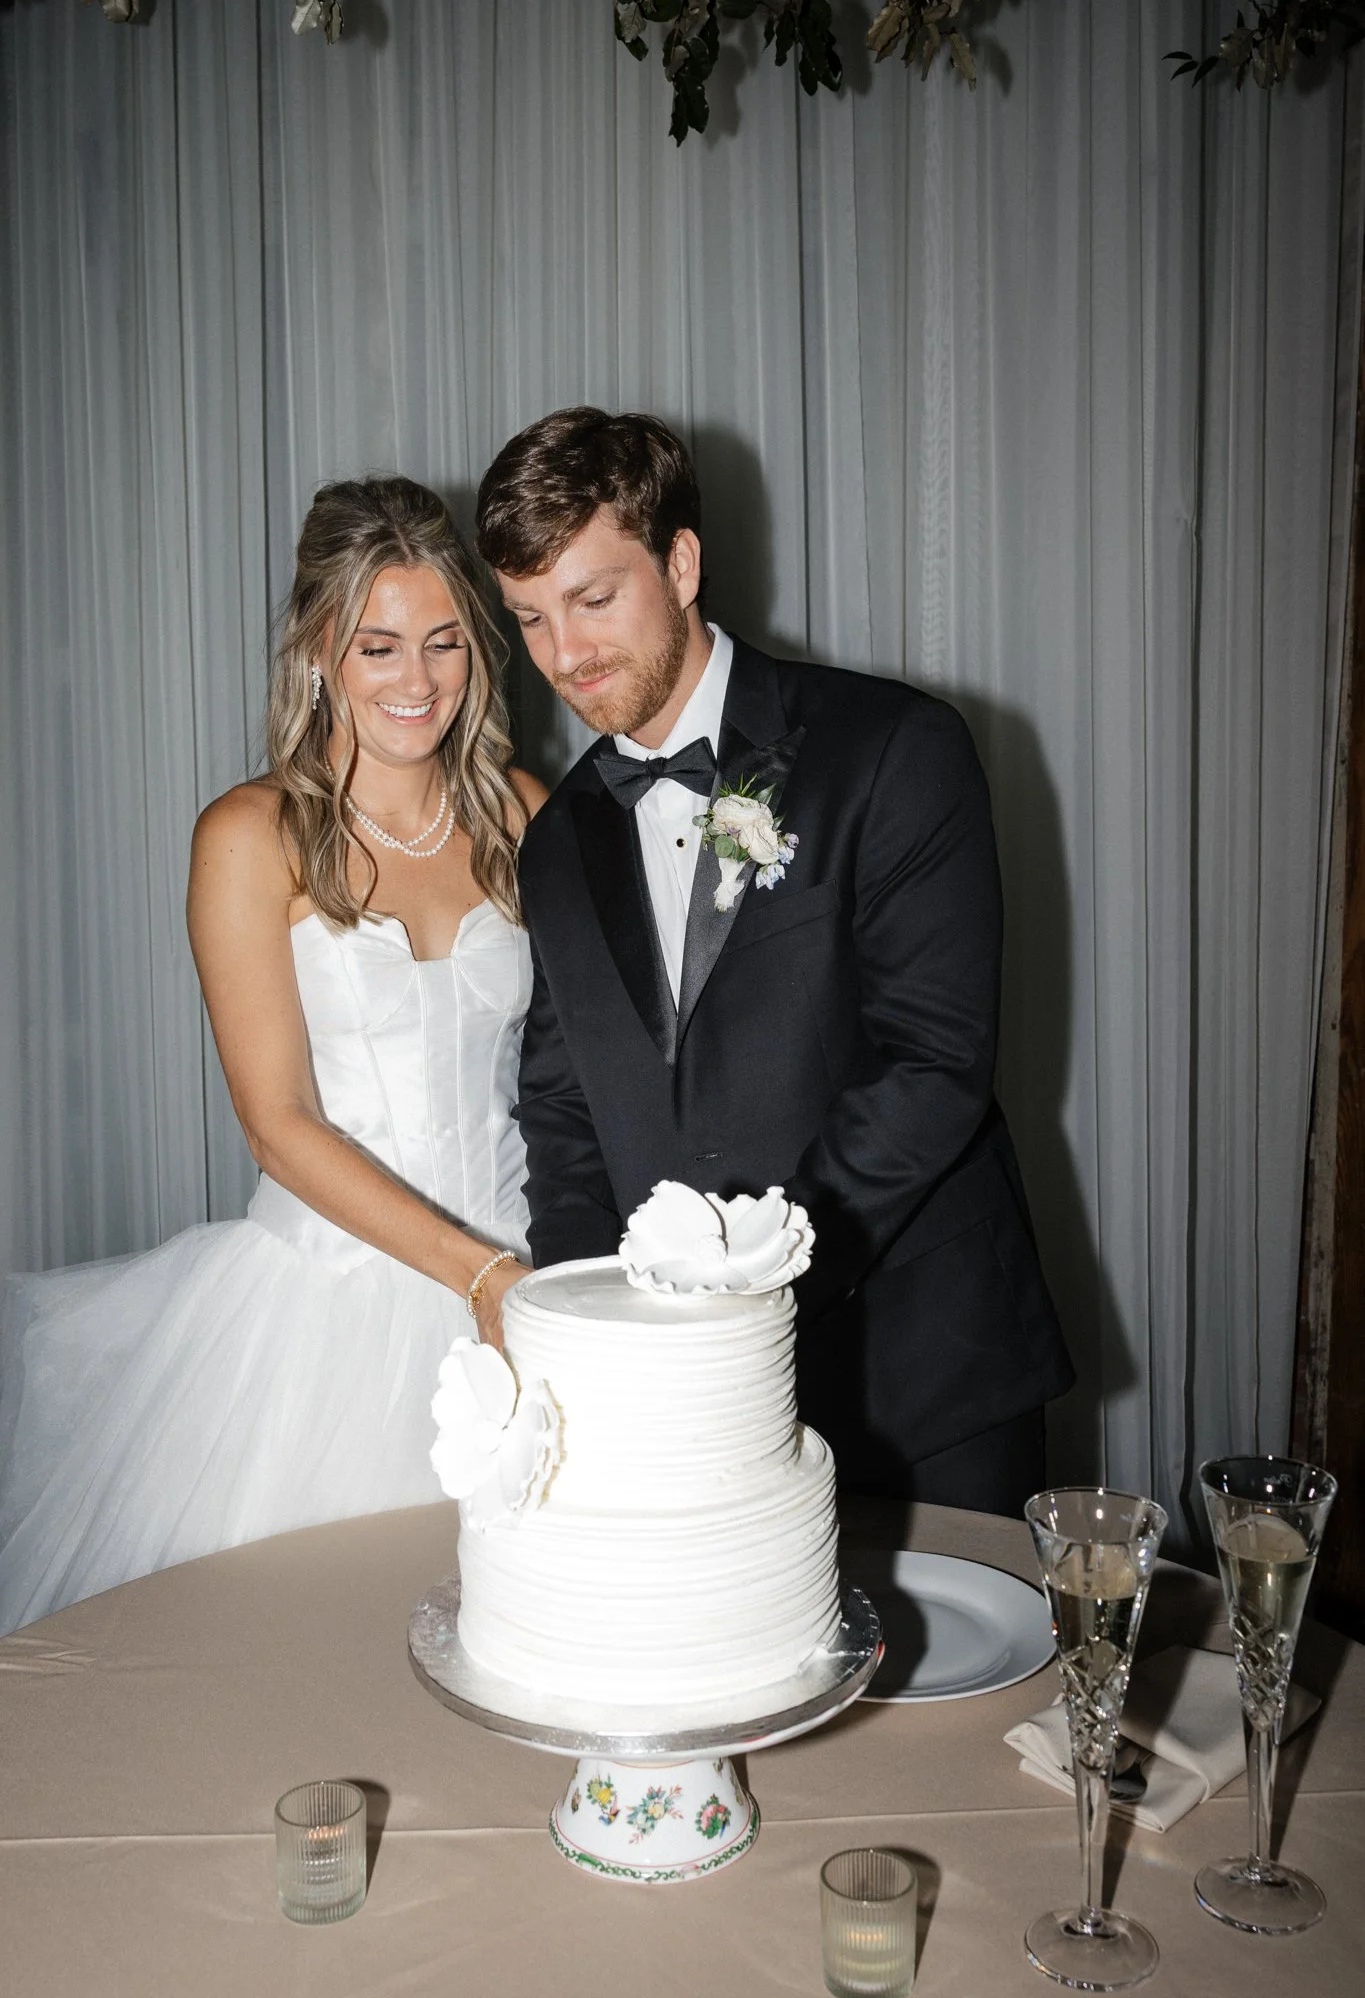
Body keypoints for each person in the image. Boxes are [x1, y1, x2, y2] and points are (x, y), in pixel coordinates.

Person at [475, 408, 1074, 1516]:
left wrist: (744, 1286)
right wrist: (599, 1327)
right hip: (688, 1409)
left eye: (594, 599)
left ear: (683, 560)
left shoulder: (894, 748)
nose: (564, 656)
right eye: (530, 620)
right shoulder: (557, 838)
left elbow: (935, 1061)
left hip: (920, 1377)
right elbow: (561, 1110)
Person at [0, 476, 543, 1635]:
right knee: (322, 1651)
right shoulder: (250, 835)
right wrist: (478, 1276)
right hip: (331, 1309)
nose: (418, 680)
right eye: (378, 644)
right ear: (315, 649)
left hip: (531, 1282)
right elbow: (278, 1124)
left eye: (445, 641)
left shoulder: (526, 818)